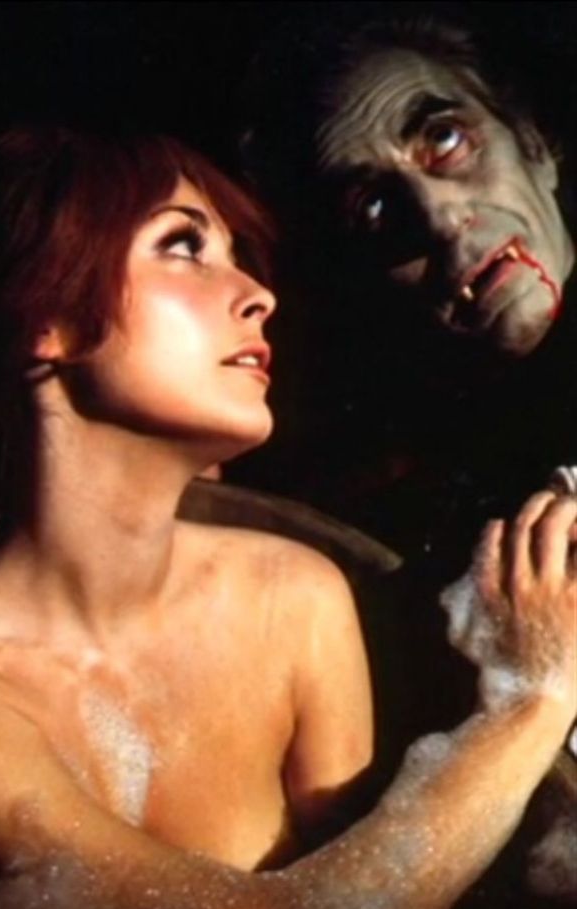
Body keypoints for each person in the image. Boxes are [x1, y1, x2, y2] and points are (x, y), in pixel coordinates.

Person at [0, 127, 575, 909]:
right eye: (183, 244)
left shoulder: (291, 597)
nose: (258, 294)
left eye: (238, 255)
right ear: (41, 319)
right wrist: (535, 696)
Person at [240, 10, 577, 569]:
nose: (439, 219)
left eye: (445, 139)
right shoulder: (385, 513)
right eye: (373, 206)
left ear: (534, 142)